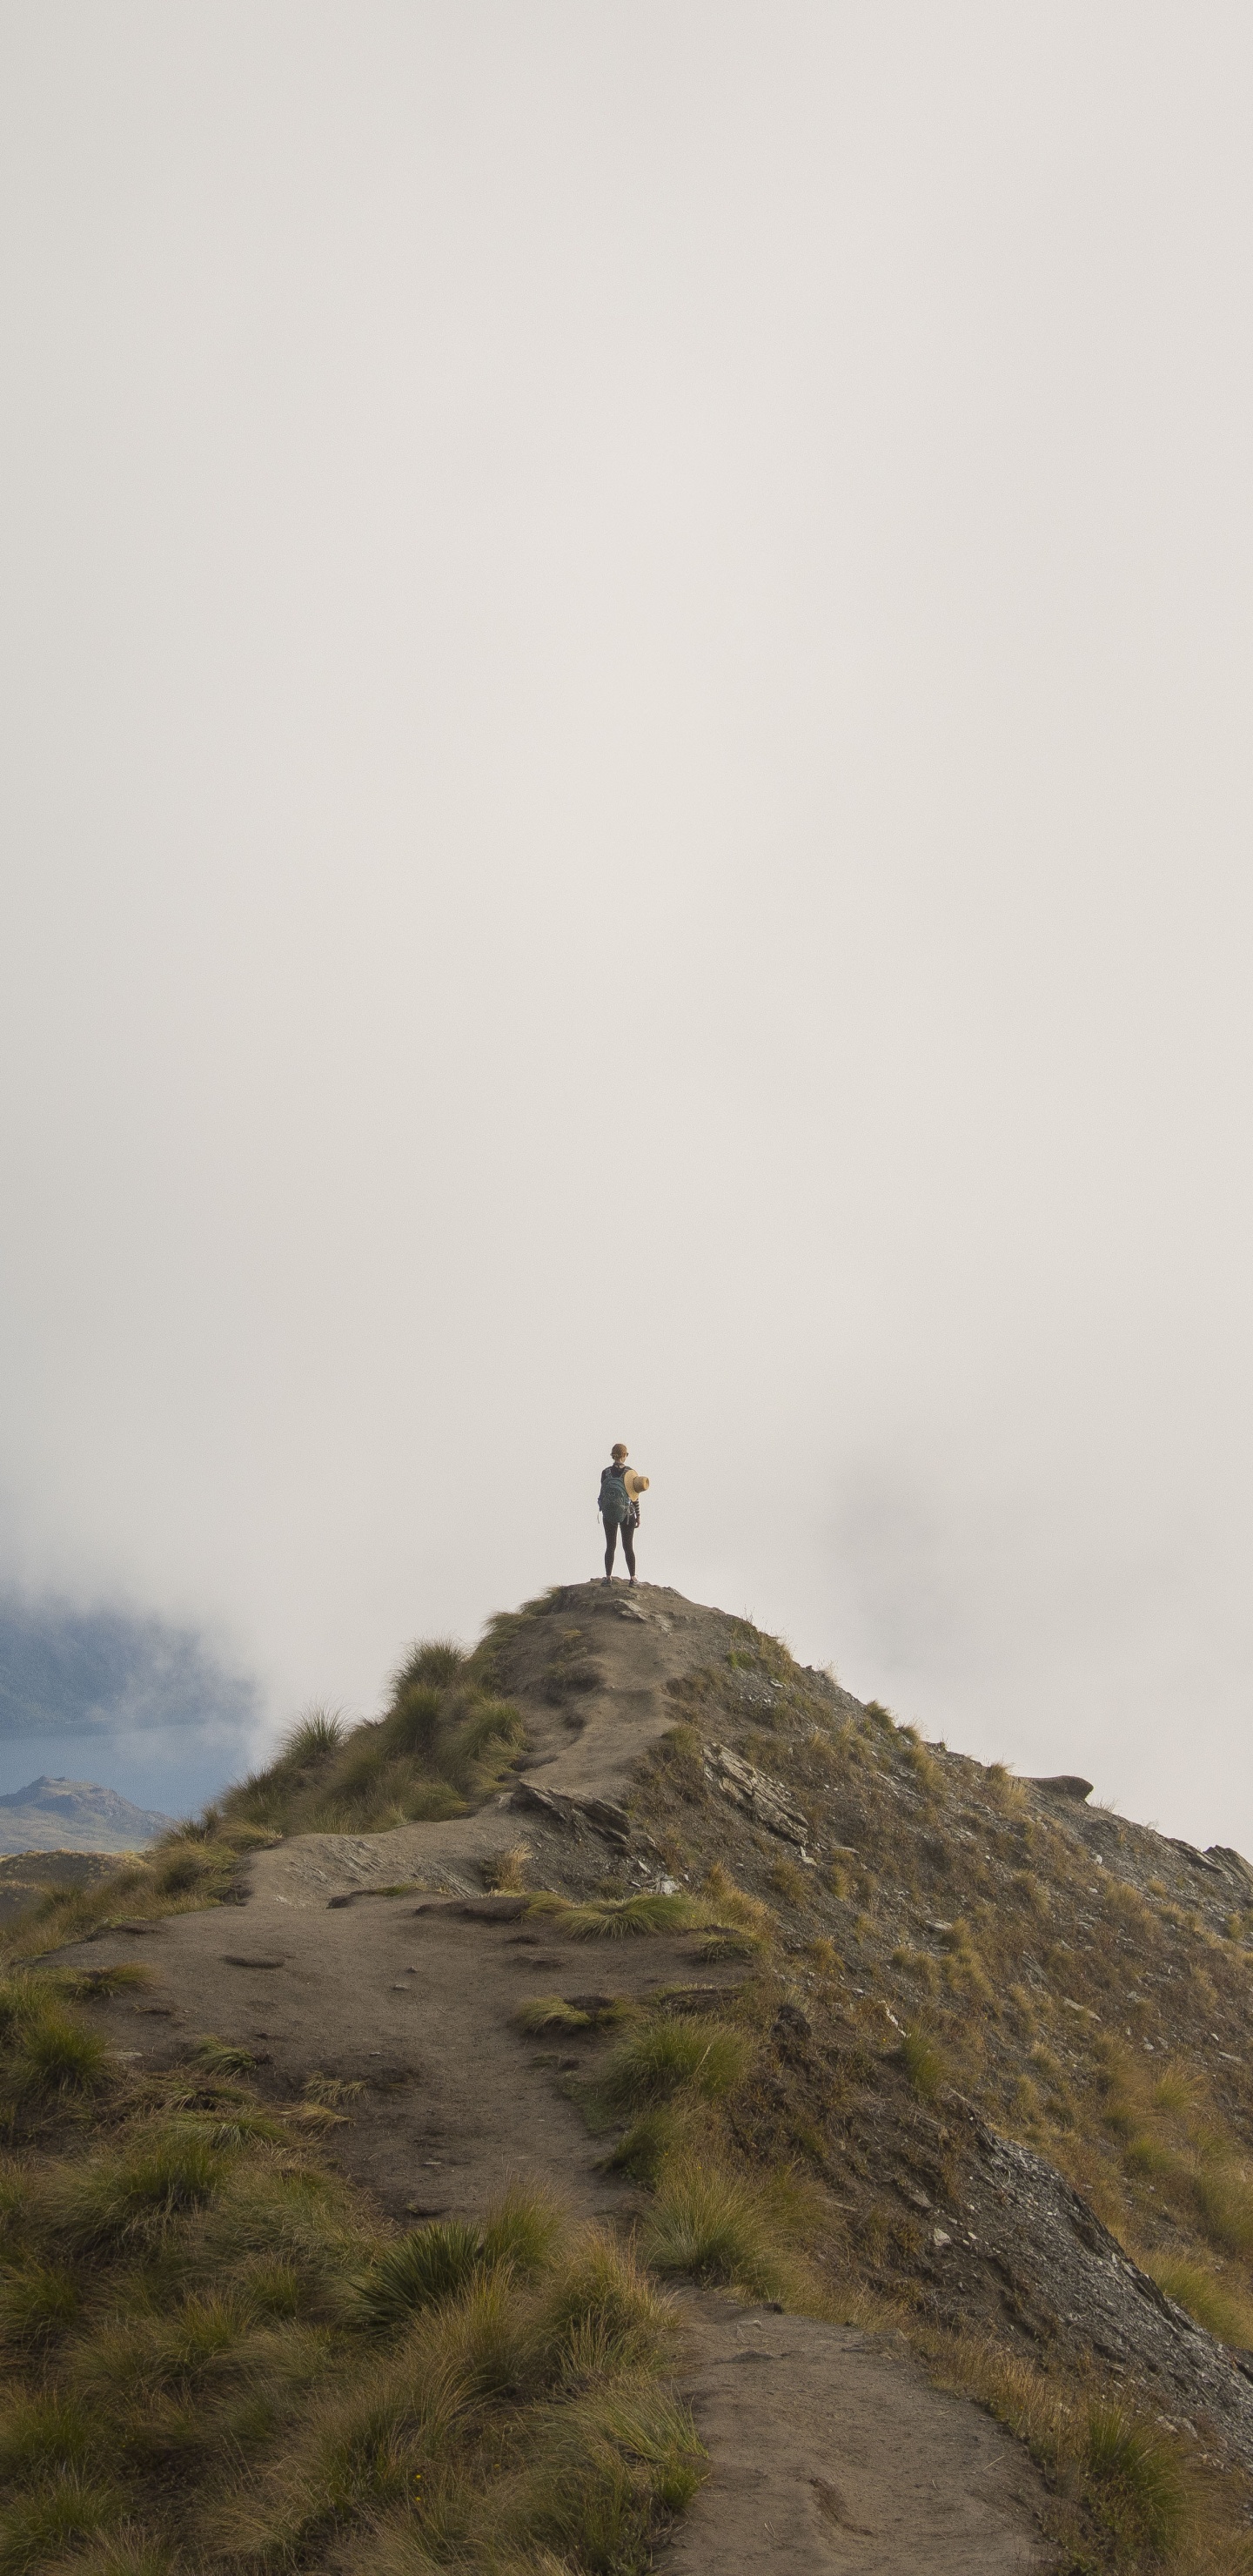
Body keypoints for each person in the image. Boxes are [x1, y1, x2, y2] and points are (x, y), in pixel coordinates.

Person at [598, 1442, 640, 1584]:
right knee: (628, 1547)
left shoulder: (605, 1472)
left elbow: (603, 1492)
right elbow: (635, 1496)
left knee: (610, 1546)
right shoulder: (631, 1472)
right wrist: (638, 1515)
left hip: (609, 1513)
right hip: (628, 1514)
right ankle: (633, 1578)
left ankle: (608, 1577)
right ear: (624, 1455)